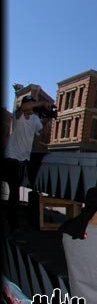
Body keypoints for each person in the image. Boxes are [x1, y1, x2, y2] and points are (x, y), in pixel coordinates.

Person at [1, 95, 51, 234]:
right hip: (11, 158)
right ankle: (13, 225)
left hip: (23, 159)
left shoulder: (34, 119)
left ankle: (12, 222)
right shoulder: (19, 115)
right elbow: (24, 108)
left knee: (14, 192)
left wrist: (48, 119)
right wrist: (42, 103)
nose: (33, 108)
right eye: (31, 104)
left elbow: (42, 134)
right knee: (14, 192)